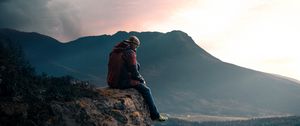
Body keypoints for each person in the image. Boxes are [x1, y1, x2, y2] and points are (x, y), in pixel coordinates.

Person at [107, 36, 168, 121]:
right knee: (146, 90)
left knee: (137, 66)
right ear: (133, 44)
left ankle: (155, 115)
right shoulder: (130, 53)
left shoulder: (115, 51)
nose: (136, 48)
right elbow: (134, 72)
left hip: (111, 81)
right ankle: (155, 115)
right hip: (120, 82)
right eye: (137, 46)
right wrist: (142, 80)